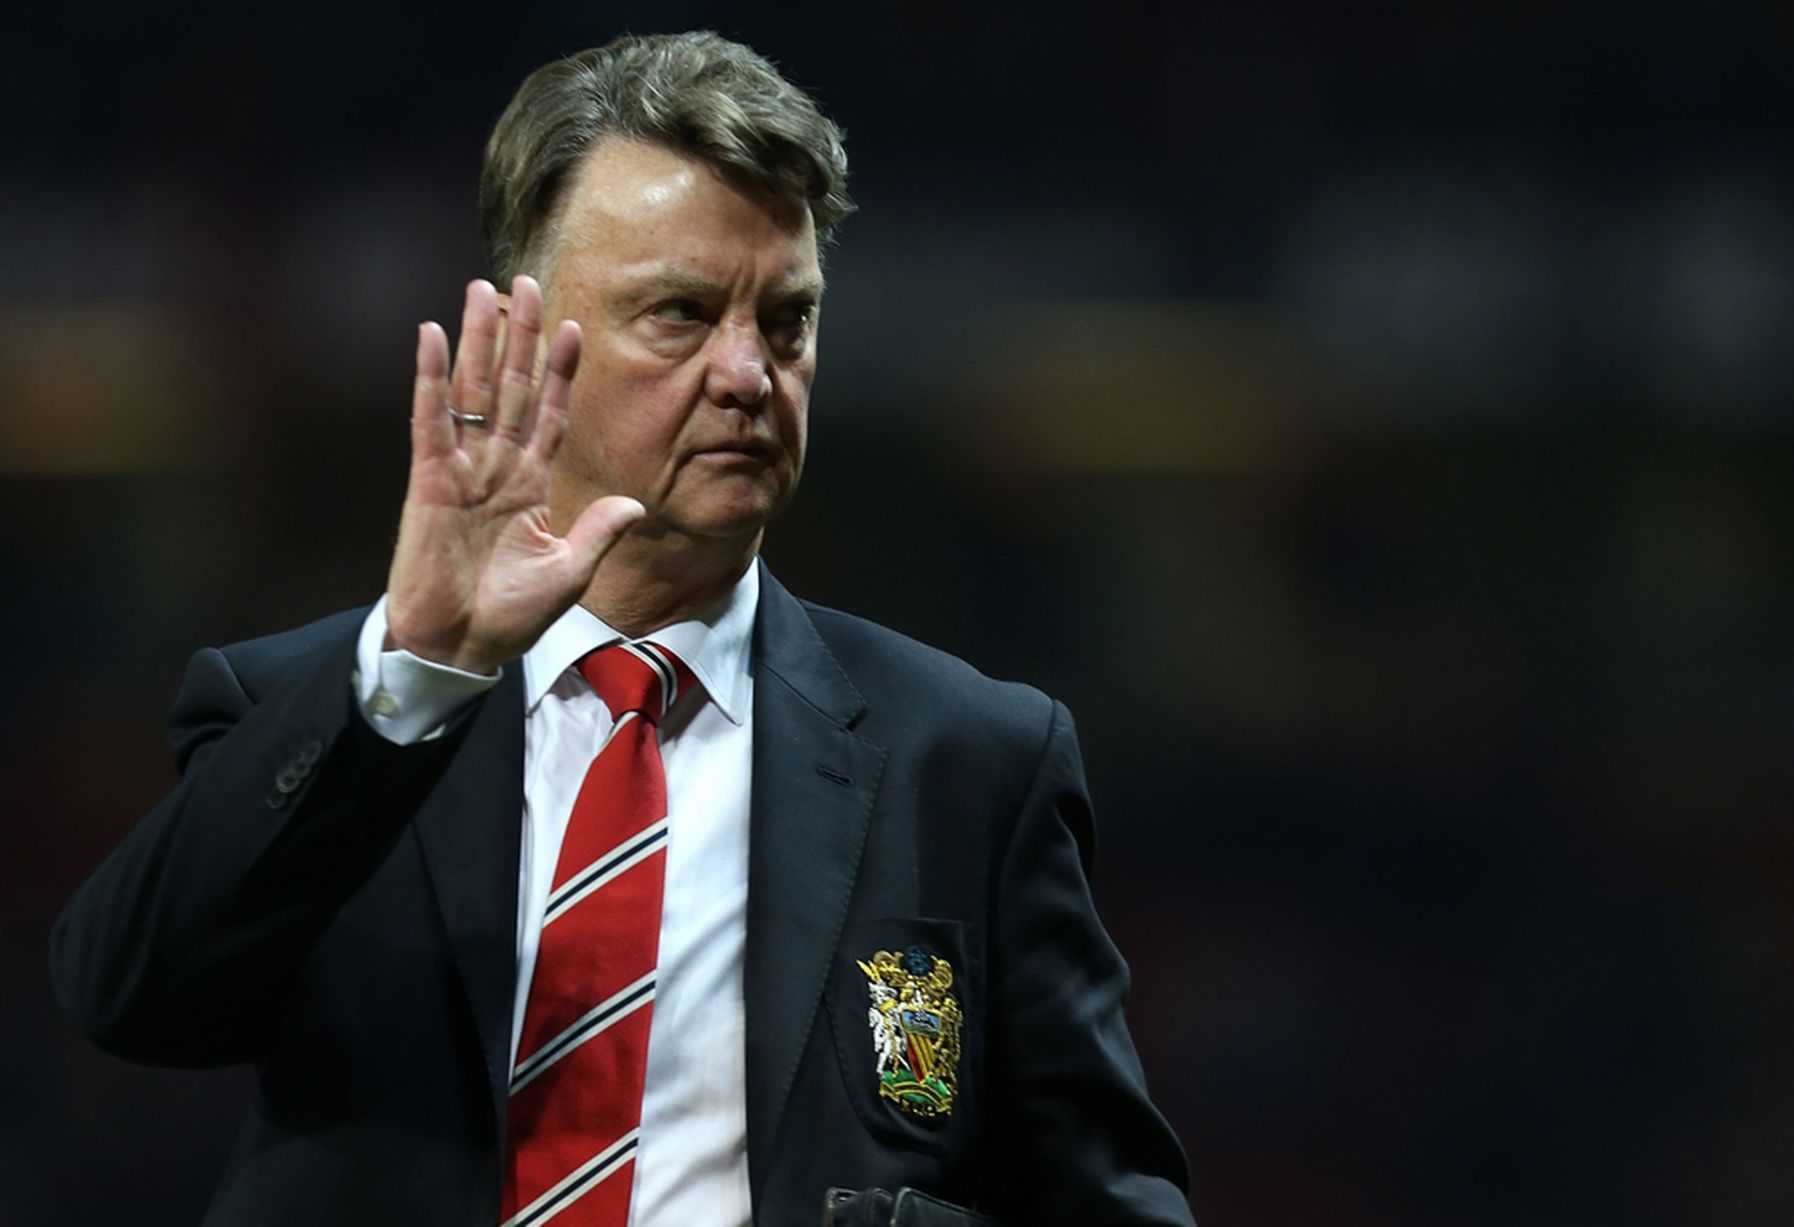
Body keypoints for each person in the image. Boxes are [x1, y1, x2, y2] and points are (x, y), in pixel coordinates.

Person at [49, 31, 1195, 1227]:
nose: (749, 372)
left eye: (788, 321)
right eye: (682, 314)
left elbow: (1115, 1200)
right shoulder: (324, 713)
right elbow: (127, 998)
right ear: (528, 334)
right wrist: (416, 675)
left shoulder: (969, 761)